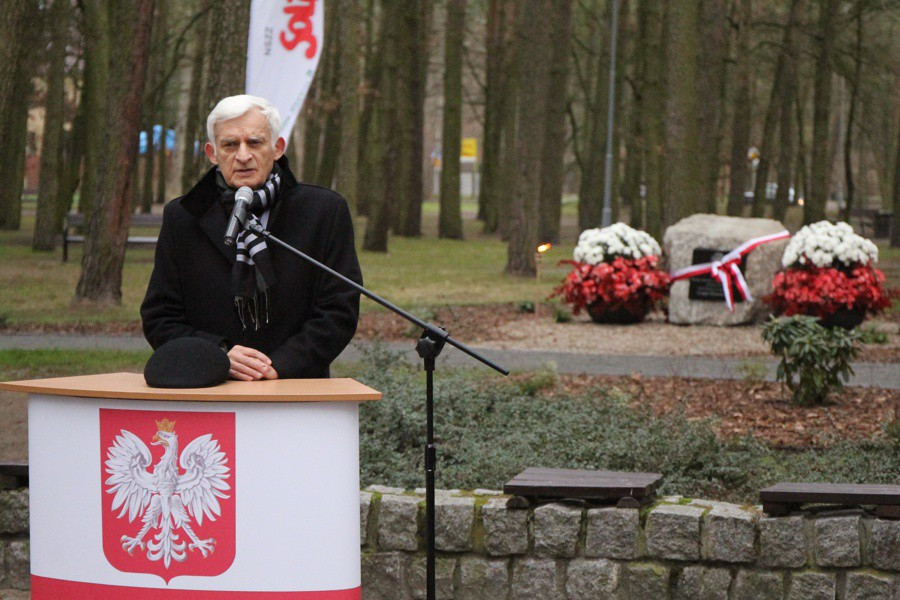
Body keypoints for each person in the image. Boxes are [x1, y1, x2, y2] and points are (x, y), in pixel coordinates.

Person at [141, 95, 361, 381]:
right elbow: (160, 317)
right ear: (212, 153)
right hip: (212, 389)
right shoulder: (182, 217)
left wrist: (278, 365)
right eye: (230, 145)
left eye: (254, 143)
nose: (243, 155)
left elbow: (338, 310)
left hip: (297, 388)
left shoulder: (323, 211)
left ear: (277, 148)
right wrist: (217, 354)